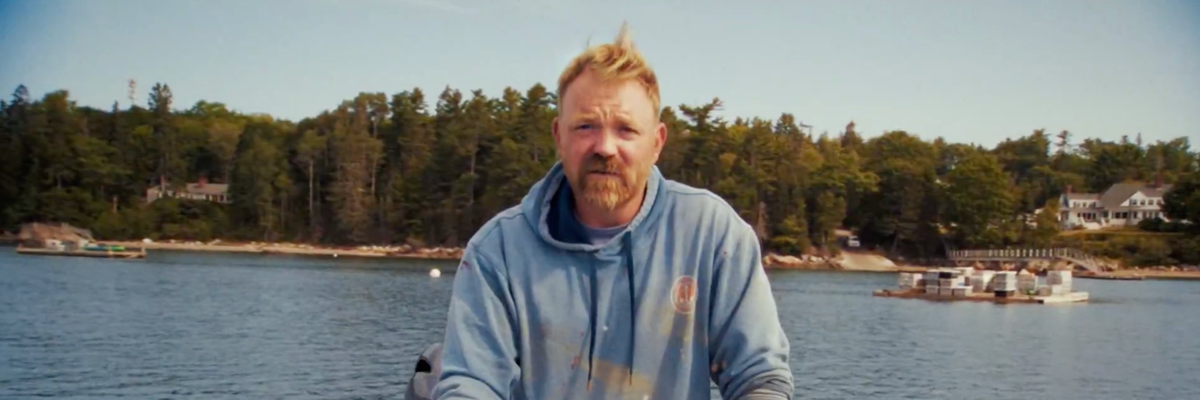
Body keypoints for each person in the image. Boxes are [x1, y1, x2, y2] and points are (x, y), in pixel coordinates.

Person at [431, 22, 793, 400]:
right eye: (585, 126)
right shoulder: (497, 252)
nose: (604, 147)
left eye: (625, 129)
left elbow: (760, 377)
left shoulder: (713, 235)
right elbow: (472, 385)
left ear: (657, 142)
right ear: (558, 137)